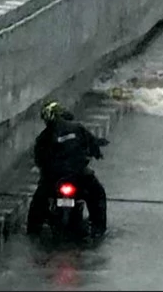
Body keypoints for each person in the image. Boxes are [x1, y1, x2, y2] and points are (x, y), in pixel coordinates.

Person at [27, 101, 107, 237]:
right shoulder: (77, 128)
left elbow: (39, 159)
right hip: (78, 176)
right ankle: (98, 228)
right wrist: (97, 153)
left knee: (39, 202)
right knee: (97, 194)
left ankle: (33, 230)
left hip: (54, 178)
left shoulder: (44, 136)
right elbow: (92, 144)